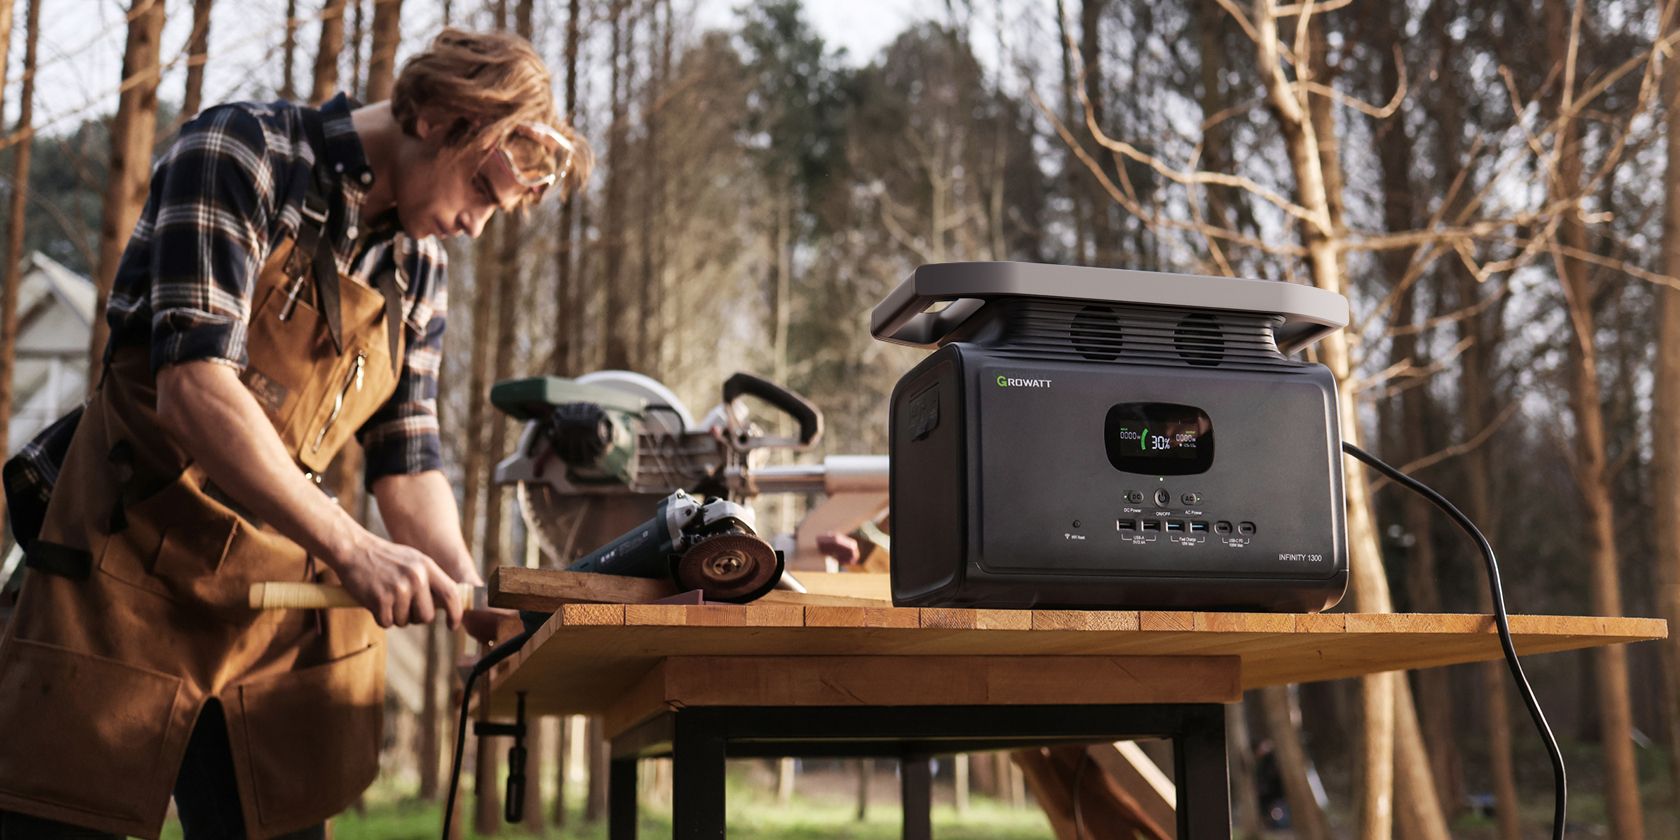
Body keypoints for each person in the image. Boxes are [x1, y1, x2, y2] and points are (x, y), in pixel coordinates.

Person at [0, 28, 591, 839]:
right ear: (438, 120)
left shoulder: (419, 268)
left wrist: (467, 596)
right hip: (115, 578)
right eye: (483, 194)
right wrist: (355, 549)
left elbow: (409, 457)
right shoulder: (241, 152)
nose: (477, 228)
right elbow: (194, 388)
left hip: (265, 612)